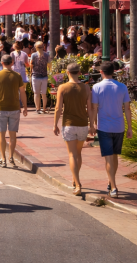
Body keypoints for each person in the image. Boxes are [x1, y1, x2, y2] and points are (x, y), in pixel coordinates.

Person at [91, 61, 132, 198]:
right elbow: (127, 108)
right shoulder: (122, 87)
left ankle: (113, 186)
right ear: (113, 72)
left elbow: (94, 108)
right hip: (119, 126)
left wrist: (93, 124)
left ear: (101, 72)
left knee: (109, 158)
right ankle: (111, 182)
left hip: (104, 126)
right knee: (114, 156)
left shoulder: (96, 87)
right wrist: (129, 127)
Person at [53, 63, 93, 195]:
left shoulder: (63, 87)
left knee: (71, 155)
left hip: (69, 124)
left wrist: (55, 124)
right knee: (78, 153)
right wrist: (92, 125)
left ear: (67, 72)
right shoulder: (86, 88)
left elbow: (58, 108)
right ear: (79, 72)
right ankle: (75, 178)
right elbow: (90, 109)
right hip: (82, 124)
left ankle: (77, 184)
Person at [0, 54, 28, 168]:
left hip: (1, 108)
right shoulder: (17, 76)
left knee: (1, 134)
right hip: (15, 108)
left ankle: (3, 158)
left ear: (2, 63)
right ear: (12, 63)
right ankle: (11, 157)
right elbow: (22, 92)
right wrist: (25, 107)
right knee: (12, 135)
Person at [30, 41, 50, 114]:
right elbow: (49, 65)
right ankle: (44, 108)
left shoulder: (33, 55)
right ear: (43, 47)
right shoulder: (46, 55)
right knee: (43, 94)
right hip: (44, 76)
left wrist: (30, 72)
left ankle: (38, 109)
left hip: (35, 76)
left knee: (36, 93)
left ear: (36, 47)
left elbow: (31, 65)